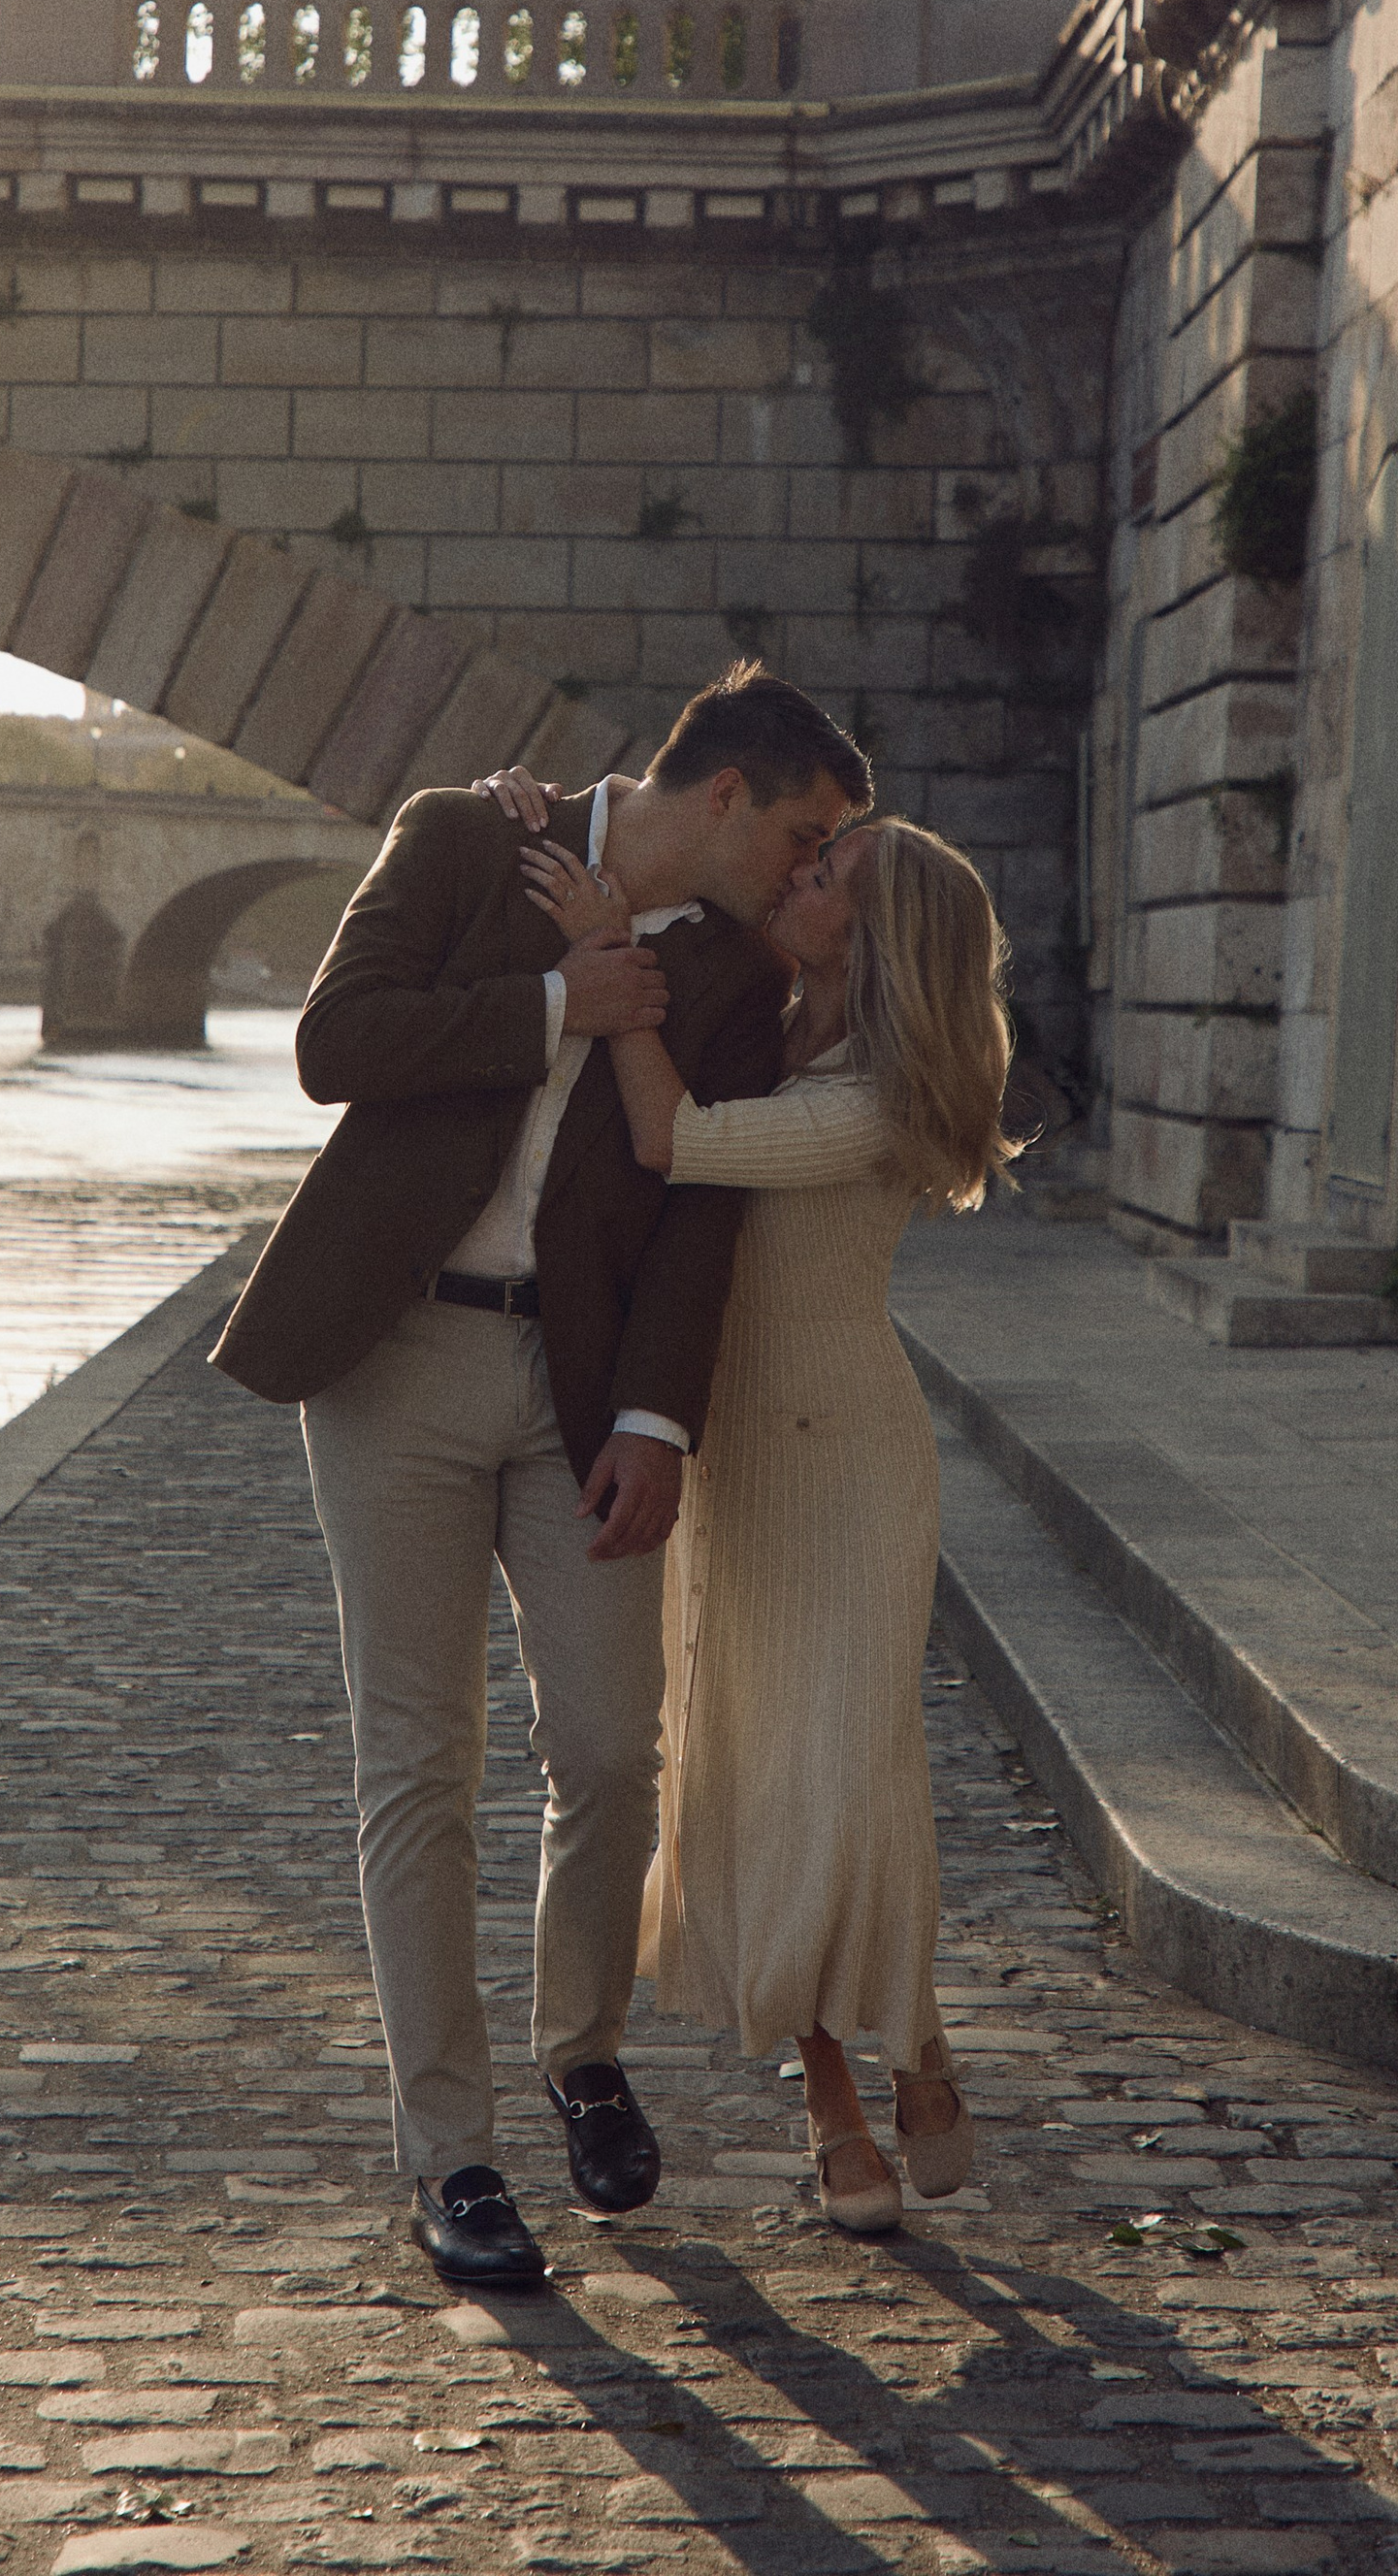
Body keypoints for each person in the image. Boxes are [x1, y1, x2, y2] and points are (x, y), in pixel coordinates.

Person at [212, 666, 872, 2290]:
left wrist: (657, 1420)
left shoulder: (736, 974)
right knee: (417, 1768)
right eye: (802, 835)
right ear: (725, 793)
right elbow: (333, 1045)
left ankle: (581, 2050)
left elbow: (701, 1204)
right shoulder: (463, 840)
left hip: (582, 1395)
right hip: (395, 1362)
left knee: (607, 1747)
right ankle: (452, 2157)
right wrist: (553, 1003)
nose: (809, 871)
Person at [493, 786, 1018, 2235]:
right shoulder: (764, 1024)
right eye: (811, 852)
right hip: (737, 1463)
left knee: (849, 1782)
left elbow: (672, 1139)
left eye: (828, 871)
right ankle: (838, 2097)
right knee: (747, 1780)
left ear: (877, 932)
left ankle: (912, 2049)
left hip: (851, 1468)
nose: (798, 875)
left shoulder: (879, 1098)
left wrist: (614, 961)